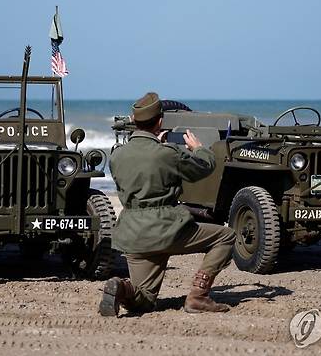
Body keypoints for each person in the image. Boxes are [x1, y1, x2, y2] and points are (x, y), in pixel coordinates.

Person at [98, 92, 235, 317]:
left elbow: (143, 173)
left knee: (144, 301)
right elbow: (205, 166)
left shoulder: (117, 156)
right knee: (226, 236)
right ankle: (198, 297)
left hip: (134, 234)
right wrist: (198, 148)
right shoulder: (167, 154)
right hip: (168, 229)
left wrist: (158, 147)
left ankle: (122, 287)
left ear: (133, 121)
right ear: (160, 122)